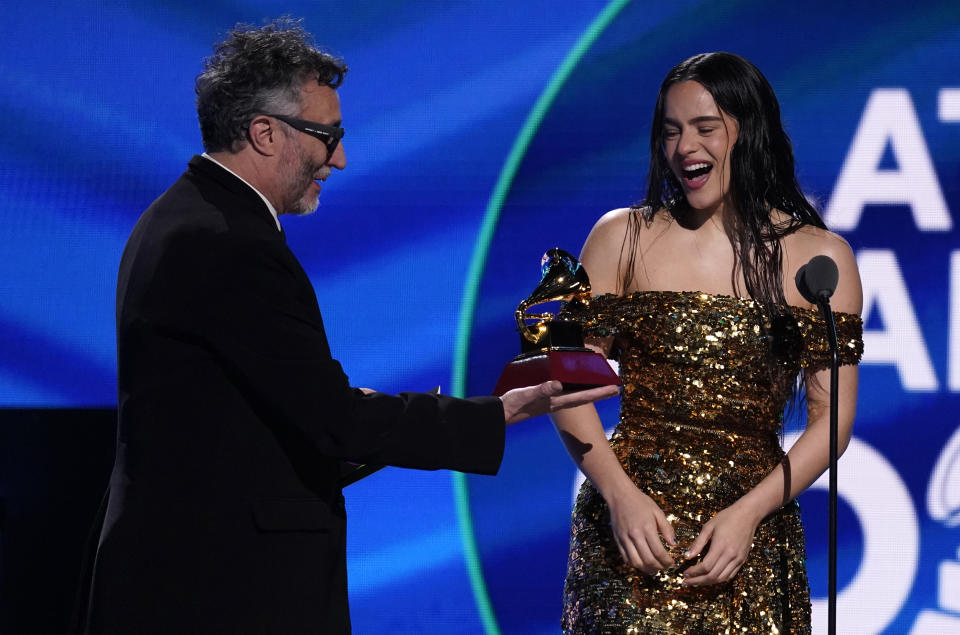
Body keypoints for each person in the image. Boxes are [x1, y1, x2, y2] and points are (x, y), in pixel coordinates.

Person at [71, 18, 617, 635]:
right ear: (265, 133)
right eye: (328, 136)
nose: (341, 157)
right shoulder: (226, 242)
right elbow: (332, 420)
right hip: (221, 589)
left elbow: (262, 415)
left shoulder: (187, 217)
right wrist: (499, 413)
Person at [551, 52, 863, 633]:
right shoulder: (622, 236)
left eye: (704, 128)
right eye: (670, 132)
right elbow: (569, 379)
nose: (684, 147)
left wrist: (748, 515)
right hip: (630, 540)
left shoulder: (817, 257)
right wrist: (620, 497)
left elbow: (830, 416)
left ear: (750, 131)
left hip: (748, 541)